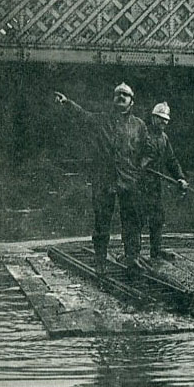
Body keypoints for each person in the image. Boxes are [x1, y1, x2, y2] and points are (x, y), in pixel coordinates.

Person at [54, 83, 147, 277]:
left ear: (132, 101)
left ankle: (132, 257)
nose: (121, 97)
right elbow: (82, 115)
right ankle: (100, 260)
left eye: (125, 95)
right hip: (104, 180)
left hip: (129, 181)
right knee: (102, 221)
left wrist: (139, 171)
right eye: (118, 95)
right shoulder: (101, 120)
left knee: (132, 221)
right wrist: (67, 103)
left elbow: (146, 151)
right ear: (113, 99)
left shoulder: (139, 125)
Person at [138, 102, 188, 261]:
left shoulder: (164, 138)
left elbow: (171, 161)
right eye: (161, 119)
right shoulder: (141, 134)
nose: (164, 122)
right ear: (153, 118)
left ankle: (156, 251)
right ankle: (133, 254)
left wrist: (180, 177)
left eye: (166, 120)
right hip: (139, 183)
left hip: (155, 185)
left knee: (158, 217)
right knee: (138, 218)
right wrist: (140, 165)